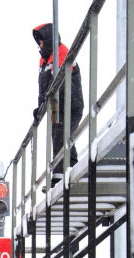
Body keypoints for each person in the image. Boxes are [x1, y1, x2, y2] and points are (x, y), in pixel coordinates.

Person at [32, 23, 84, 176]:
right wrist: (40, 106)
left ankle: (61, 175)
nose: (39, 45)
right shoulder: (44, 60)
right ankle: (70, 170)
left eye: (41, 41)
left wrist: (46, 102)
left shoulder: (62, 53)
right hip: (56, 106)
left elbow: (57, 83)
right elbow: (43, 86)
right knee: (59, 137)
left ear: (48, 39)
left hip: (70, 105)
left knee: (62, 137)